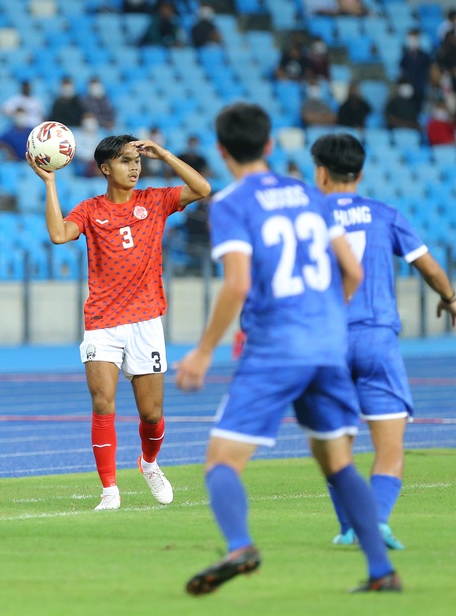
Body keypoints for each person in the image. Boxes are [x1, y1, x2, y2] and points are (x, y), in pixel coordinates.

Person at [175, 102, 402, 594]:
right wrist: (325, 317)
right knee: (337, 462)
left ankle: (240, 544)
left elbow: (236, 285)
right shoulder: (307, 192)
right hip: (328, 345)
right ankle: (382, 572)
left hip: (276, 346)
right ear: (270, 145)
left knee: (221, 459)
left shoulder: (232, 202)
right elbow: (354, 271)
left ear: (221, 150)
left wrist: (202, 351)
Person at [26, 134, 211, 511]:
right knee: (103, 403)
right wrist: (50, 183)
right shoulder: (90, 210)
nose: (135, 167)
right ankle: (109, 490)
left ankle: (149, 462)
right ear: (105, 168)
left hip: (145, 320)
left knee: (152, 414)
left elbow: (202, 188)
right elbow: (59, 235)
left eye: (138, 160)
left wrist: (163, 151)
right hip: (102, 321)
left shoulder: (155, 201)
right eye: (126, 161)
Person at [310, 132, 456, 549]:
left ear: (320, 172)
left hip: (326, 343)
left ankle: (348, 526)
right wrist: (449, 299)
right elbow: (429, 267)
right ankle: (374, 524)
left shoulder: (305, 216)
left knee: (333, 447)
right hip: (377, 338)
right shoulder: (384, 213)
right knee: (390, 447)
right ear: (360, 173)